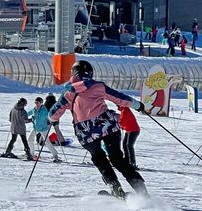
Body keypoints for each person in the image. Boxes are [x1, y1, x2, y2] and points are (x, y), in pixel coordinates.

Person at [49, 60, 147, 198]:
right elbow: (119, 97)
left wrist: (51, 119)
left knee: (99, 158)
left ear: (73, 73)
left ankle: (115, 188)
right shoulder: (98, 86)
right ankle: (141, 190)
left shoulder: (69, 91)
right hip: (106, 125)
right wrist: (137, 105)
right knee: (117, 158)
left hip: (85, 132)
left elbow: (55, 112)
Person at [28, 97, 60, 162]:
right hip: (36, 127)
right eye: (35, 102)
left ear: (41, 103)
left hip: (43, 128)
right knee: (30, 140)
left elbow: (46, 116)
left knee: (47, 142)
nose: (36, 104)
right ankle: (32, 154)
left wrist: (51, 120)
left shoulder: (44, 110)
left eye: (38, 102)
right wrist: (21, 115)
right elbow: (28, 113)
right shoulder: (34, 109)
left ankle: (55, 155)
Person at [119, 105, 141, 169]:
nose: (117, 106)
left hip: (133, 130)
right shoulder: (124, 110)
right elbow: (124, 122)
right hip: (129, 130)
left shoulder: (125, 111)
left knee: (129, 145)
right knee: (125, 145)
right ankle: (127, 161)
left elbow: (121, 121)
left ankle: (132, 163)